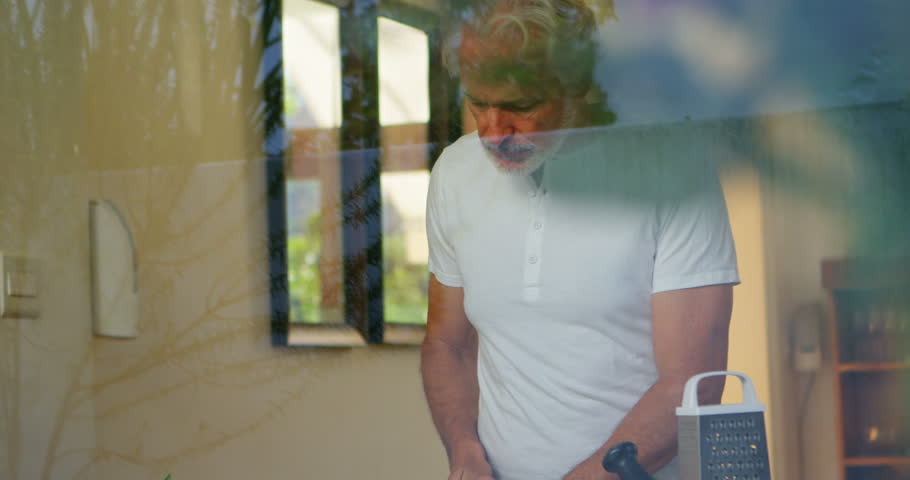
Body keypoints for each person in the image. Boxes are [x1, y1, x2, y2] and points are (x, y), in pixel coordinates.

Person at [420, 0, 740, 479]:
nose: (493, 131)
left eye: (520, 106)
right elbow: (447, 344)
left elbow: (691, 384)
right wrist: (464, 451)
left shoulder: (674, 169)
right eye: (478, 103)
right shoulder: (455, 173)